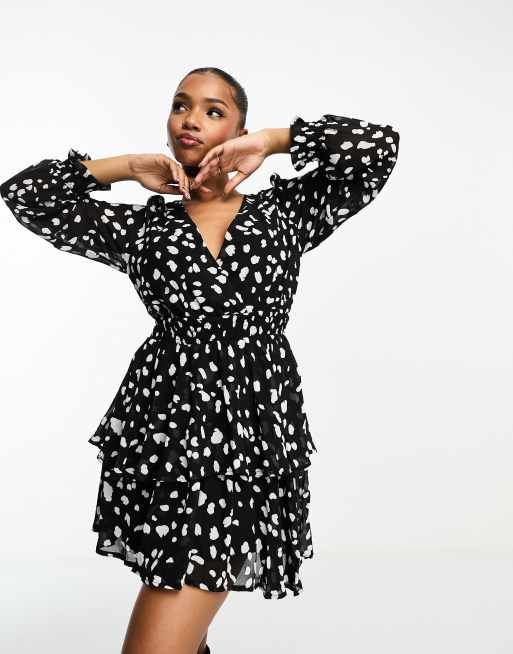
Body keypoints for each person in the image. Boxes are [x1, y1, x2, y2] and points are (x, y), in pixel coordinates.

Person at [0, 66, 400, 654]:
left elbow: (376, 148)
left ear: (237, 128)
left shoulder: (285, 213)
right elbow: (26, 193)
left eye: (215, 111)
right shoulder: (142, 228)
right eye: (181, 105)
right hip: (166, 438)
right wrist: (128, 167)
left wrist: (271, 140)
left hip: (250, 439)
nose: (191, 119)